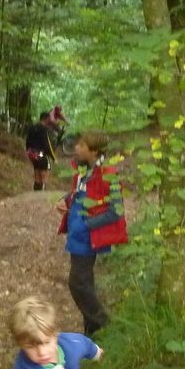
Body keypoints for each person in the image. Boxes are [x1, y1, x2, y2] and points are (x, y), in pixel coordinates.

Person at [57, 129, 127, 339]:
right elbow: (78, 192)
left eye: (81, 145)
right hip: (77, 235)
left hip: (88, 238)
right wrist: (65, 200)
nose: (76, 148)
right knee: (85, 283)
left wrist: (87, 224)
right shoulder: (83, 171)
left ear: (94, 151)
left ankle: (103, 324)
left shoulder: (108, 174)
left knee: (77, 283)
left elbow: (116, 211)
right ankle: (92, 332)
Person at [25, 111, 61, 191]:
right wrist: (54, 158)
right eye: (49, 118)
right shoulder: (44, 129)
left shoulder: (33, 127)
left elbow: (27, 140)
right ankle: (42, 194)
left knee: (37, 174)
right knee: (45, 173)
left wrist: (28, 151)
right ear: (46, 119)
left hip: (32, 154)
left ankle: (36, 193)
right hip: (40, 154)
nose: (50, 120)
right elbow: (47, 145)